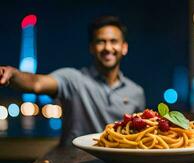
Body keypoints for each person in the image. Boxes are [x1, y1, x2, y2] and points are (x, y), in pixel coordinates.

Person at [0, 16, 145, 145]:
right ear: (91, 48)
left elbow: (139, 137)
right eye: (101, 42)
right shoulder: (73, 79)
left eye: (113, 41)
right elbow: (36, 83)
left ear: (124, 47)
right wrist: (12, 74)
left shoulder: (136, 92)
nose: (107, 47)